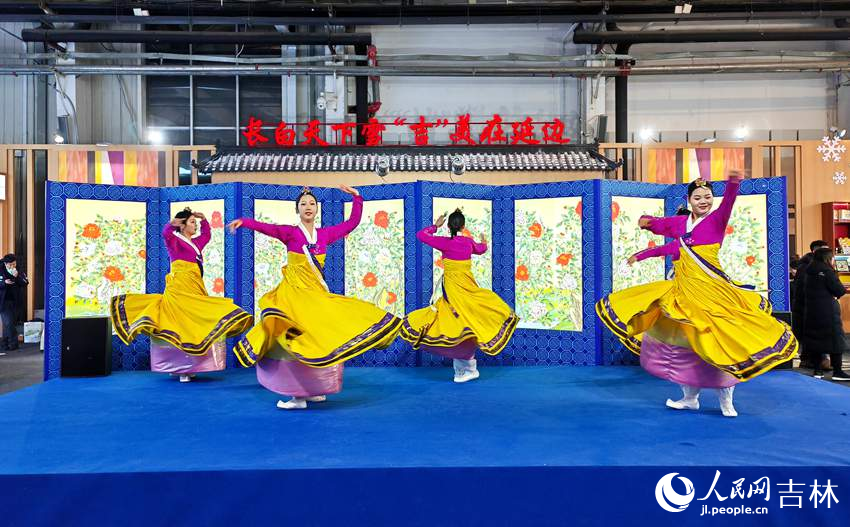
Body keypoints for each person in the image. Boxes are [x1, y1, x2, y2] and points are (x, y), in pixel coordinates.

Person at [598, 170, 798, 417]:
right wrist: (646, 229)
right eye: (697, 197)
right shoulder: (681, 226)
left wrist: (733, 183)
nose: (703, 201)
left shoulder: (717, 219)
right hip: (685, 297)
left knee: (720, 344)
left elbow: (729, 202)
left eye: (707, 197)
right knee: (688, 352)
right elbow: (666, 235)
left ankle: (726, 401)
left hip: (713, 295)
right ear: (689, 200)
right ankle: (690, 398)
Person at [228, 186, 402, 409]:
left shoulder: (324, 235)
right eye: (303, 204)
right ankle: (297, 396)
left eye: (311, 204)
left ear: (317, 209)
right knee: (293, 341)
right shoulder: (290, 233)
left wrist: (357, 198)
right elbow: (267, 228)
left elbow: (351, 224)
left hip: (315, 296)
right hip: (293, 296)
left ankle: (312, 391)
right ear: (297, 210)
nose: (308, 207)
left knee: (316, 340)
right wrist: (244, 222)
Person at [110, 208, 253, 382]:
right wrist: (172, 224)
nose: (195, 225)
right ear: (182, 225)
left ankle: (190, 366)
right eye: (192, 222)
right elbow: (166, 233)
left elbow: (207, 235)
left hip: (195, 285)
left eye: (195, 222)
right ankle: (178, 367)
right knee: (179, 323)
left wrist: (204, 219)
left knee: (193, 323)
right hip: (179, 286)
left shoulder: (196, 243)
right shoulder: (175, 241)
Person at [401, 209, 519, 382]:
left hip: (454, 289)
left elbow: (421, 235)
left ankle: (467, 369)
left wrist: (435, 226)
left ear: (448, 227)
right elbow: (482, 249)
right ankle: (464, 369)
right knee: (463, 320)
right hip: (467, 287)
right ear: (463, 227)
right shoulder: (468, 242)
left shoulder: (444, 242)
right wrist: (484, 241)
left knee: (457, 320)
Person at [803, 247, 850, 380]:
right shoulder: (827, 271)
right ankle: (838, 372)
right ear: (827, 258)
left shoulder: (809, 271)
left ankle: (818, 371)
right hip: (828, 311)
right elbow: (839, 290)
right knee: (835, 340)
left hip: (811, 310)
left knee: (816, 340)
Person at [792, 240, 830, 369]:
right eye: (825, 250)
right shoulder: (808, 267)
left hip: (813, 305)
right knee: (813, 333)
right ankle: (816, 361)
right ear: (816, 251)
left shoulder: (815, 265)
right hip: (808, 306)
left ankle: (810, 360)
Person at [0, 254, 28, 351]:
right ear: (5, 263)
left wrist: (17, 276)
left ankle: (4, 344)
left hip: (16, 300)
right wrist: (4, 283)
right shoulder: (0, 269)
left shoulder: (18, 269)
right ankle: (14, 343)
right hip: (3, 301)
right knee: (8, 322)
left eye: (14, 264)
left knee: (9, 323)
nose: (12, 266)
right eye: (10, 264)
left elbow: (25, 282)